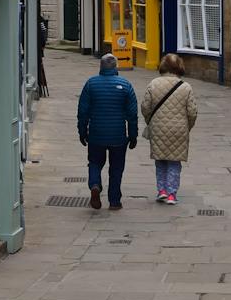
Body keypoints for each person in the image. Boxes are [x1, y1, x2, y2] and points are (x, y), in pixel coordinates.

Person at [76, 53, 139, 210]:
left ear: (100, 67)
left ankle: (95, 185)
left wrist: (82, 131)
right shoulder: (126, 85)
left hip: (96, 134)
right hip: (118, 136)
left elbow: (83, 111)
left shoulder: (91, 84)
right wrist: (133, 135)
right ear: (116, 67)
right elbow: (132, 115)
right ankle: (115, 201)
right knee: (116, 168)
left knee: (95, 162)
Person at [141, 54, 199, 205]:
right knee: (174, 162)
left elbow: (145, 107)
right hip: (179, 130)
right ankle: (172, 194)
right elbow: (192, 112)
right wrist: (188, 126)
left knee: (160, 161)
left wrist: (150, 121)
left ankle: (162, 191)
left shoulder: (153, 84)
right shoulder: (186, 87)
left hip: (158, 128)